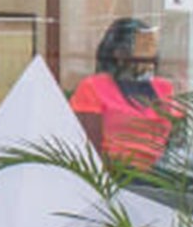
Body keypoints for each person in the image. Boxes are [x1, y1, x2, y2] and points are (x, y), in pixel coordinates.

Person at [70, 18, 175, 169]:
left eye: (151, 48)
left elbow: (174, 141)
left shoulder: (164, 88)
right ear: (118, 53)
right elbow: (88, 147)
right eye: (142, 49)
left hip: (161, 174)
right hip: (115, 173)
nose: (150, 57)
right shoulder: (93, 87)